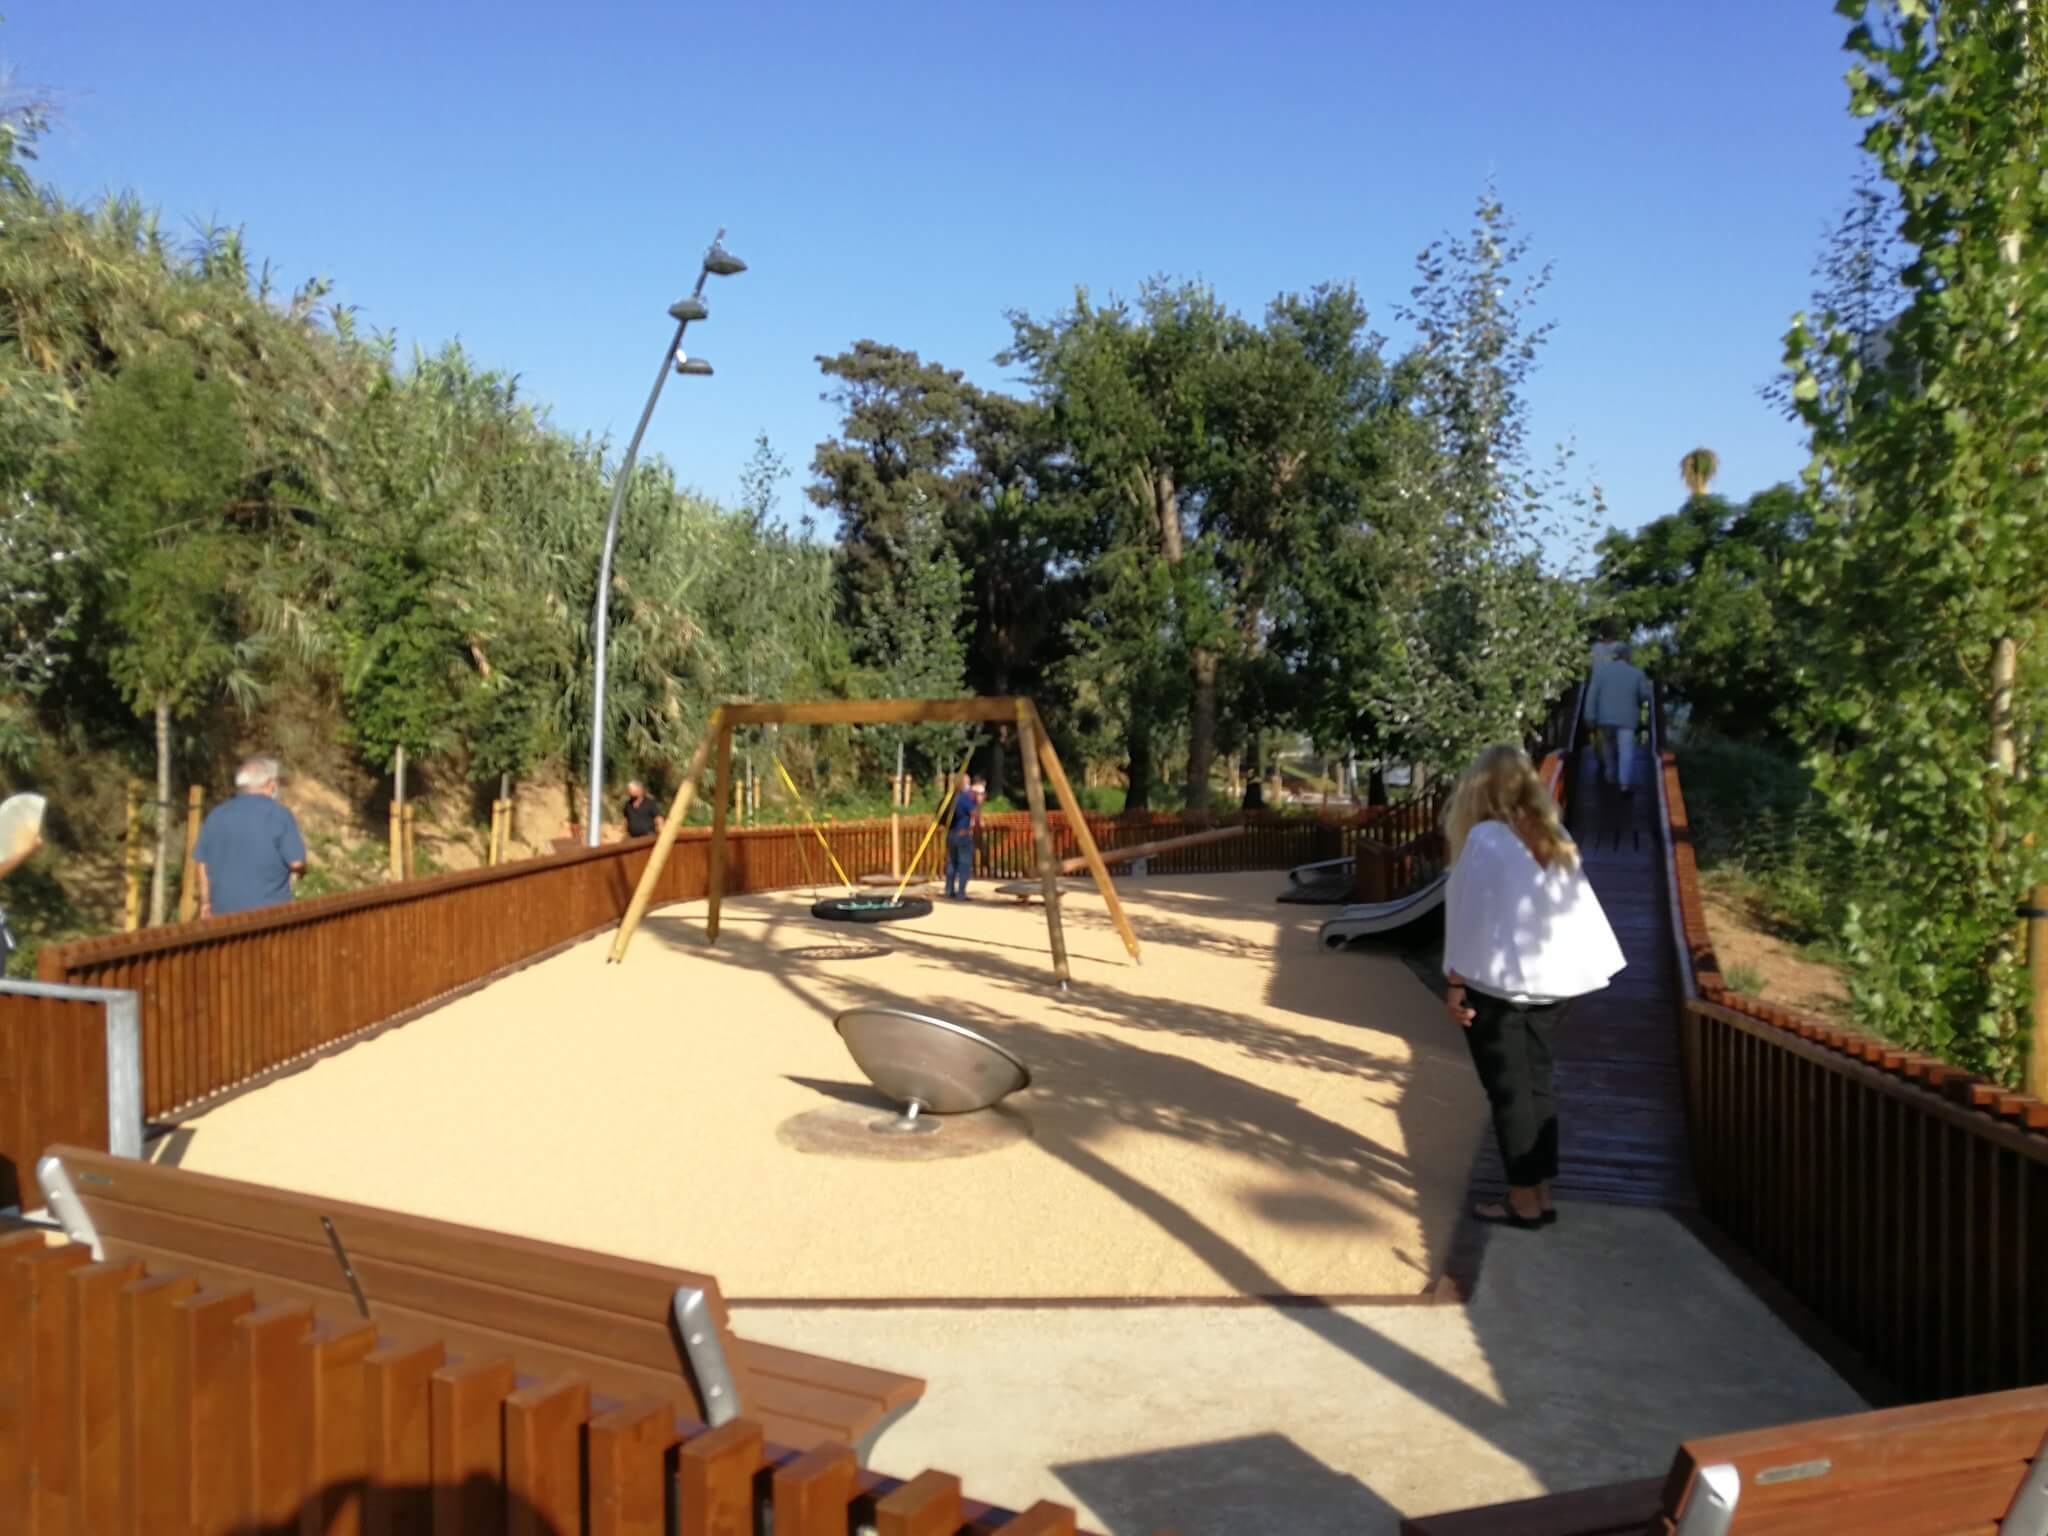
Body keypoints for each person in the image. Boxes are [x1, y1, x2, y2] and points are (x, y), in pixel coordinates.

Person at [1441, 744, 1625, 1229]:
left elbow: (1468, 916)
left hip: (1500, 988)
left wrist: (1455, 983)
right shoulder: (1553, 833)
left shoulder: (1485, 838)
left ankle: (1522, 1199)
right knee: (1538, 1084)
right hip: (1555, 985)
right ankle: (1541, 1192)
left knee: (1509, 1092)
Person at [192, 756, 308, 919]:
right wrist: (302, 870)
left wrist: (205, 902)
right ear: (270, 785)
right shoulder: (278, 815)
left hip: (223, 918)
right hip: (269, 918)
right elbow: (296, 863)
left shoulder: (216, 815)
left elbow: (202, 863)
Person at [1585, 645, 1653, 794]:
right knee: (1625, 749)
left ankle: (1610, 773)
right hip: (1627, 718)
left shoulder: (1600, 672)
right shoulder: (1637, 673)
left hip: (1605, 717)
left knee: (1608, 745)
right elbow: (1644, 695)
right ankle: (1624, 783)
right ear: (1628, 656)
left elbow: (1592, 695)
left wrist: (1589, 716)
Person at [943, 771, 979, 900]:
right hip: (962, 834)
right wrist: (977, 801)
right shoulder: (964, 798)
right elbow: (974, 812)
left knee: (952, 863)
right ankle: (961, 893)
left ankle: (949, 890)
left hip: (951, 833)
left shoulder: (950, 797)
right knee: (964, 864)